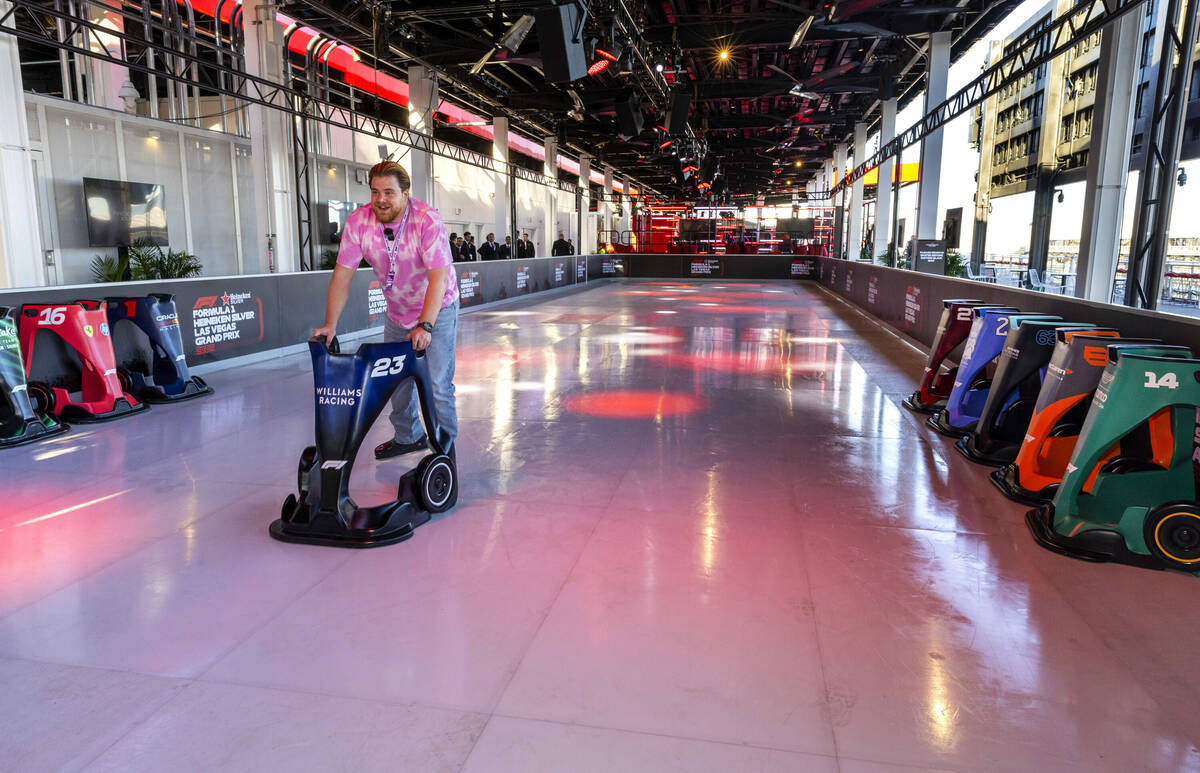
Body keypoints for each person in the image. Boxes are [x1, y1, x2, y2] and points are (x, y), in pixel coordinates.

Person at [312, 160, 459, 460]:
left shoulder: (426, 220)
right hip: (398, 313)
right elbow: (342, 275)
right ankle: (408, 437)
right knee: (397, 383)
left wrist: (426, 326)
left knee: (438, 385)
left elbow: (438, 278)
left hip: (438, 309)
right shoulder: (359, 222)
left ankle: (445, 454)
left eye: (389, 192)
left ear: (406, 194)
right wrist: (330, 324)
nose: (380, 199)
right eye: (375, 191)